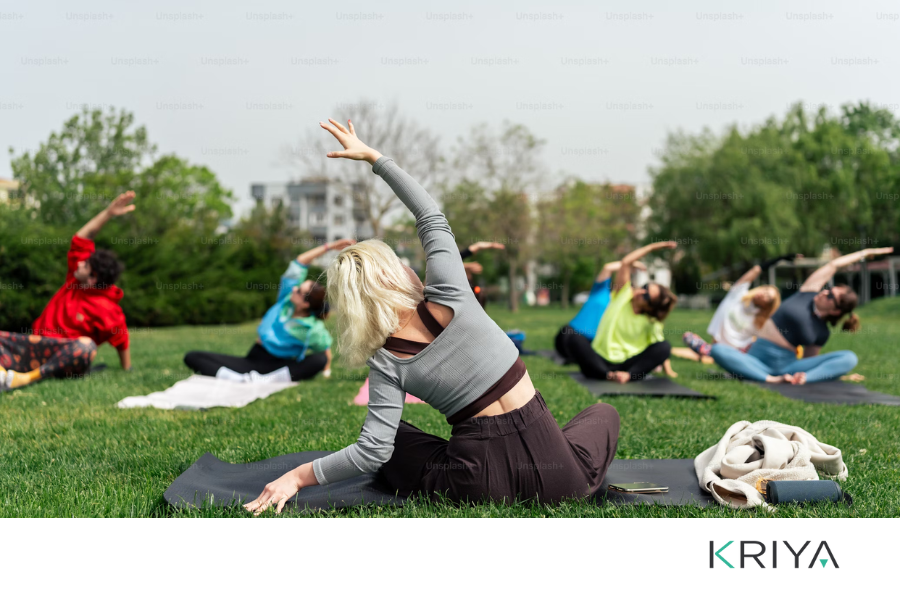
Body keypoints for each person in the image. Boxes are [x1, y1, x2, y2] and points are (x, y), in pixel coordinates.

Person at [244, 118, 619, 514]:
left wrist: (298, 476)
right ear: (391, 276)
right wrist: (374, 157)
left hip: (478, 484)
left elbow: (371, 453)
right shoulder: (452, 291)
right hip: (562, 480)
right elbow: (430, 215)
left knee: (396, 441)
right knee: (603, 413)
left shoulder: (385, 359)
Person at [1, 192, 134, 391]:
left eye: (85, 265)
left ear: (92, 279)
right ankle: (5, 374)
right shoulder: (75, 280)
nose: (79, 263)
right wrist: (108, 213)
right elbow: (81, 238)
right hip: (34, 347)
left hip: (65, 357)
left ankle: (26, 378)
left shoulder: (108, 309)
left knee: (86, 346)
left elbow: (121, 340)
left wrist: (127, 368)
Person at [710, 247, 893, 384]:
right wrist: (864, 253)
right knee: (717, 350)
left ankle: (800, 380)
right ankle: (769, 379)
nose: (825, 292)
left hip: (787, 365)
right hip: (755, 359)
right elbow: (833, 265)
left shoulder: (822, 332)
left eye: (830, 296)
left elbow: (810, 362)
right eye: (828, 289)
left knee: (849, 357)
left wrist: (830, 374)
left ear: (836, 310)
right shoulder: (807, 293)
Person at [183, 239, 354, 382]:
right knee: (193, 356)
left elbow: (325, 351)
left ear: (305, 304)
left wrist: (327, 370)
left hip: (278, 367)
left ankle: (266, 380)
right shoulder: (285, 300)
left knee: (318, 359)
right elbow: (300, 261)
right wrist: (330, 247)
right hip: (253, 359)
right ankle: (238, 379)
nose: (294, 290)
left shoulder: (311, 328)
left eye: (299, 291)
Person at [564, 241, 679, 384]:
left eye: (646, 295)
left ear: (650, 307)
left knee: (665, 346)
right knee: (574, 338)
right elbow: (626, 262)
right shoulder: (623, 295)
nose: (641, 292)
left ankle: (627, 376)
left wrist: (668, 369)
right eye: (645, 287)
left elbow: (659, 348)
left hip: (627, 364)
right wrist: (653, 247)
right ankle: (607, 375)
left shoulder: (651, 322)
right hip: (600, 359)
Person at [676, 257, 794, 363]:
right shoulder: (737, 294)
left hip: (738, 352)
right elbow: (755, 270)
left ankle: (711, 357)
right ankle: (712, 356)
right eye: (765, 290)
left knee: (755, 347)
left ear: (767, 305)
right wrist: (778, 259)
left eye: (768, 297)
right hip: (717, 346)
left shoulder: (760, 320)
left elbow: (772, 337)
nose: (764, 295)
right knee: (688, 336)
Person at [553, 260, 646, 363]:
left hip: (592, 344)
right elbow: (608, 268)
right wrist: (630, 263)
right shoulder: (601, 291)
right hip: (569, 335)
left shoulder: (624, 309)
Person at [460, 241, 505, 308]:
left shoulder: (457, 256)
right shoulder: (448, 260)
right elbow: (446, 265)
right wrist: (467, 266)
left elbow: (478, 245)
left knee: (480, 294)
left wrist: (492, 245)